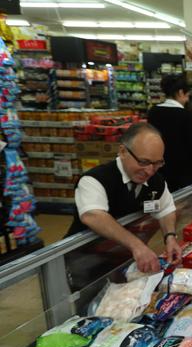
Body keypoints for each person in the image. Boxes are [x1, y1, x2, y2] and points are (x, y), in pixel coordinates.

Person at [66, 123, 182, 287]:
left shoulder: (155, 180)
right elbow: (93, 215)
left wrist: (170, 237)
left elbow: (166, 209)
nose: (149, 171)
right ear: (122, 151)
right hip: (86, 263)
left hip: (124, 262)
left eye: (157, 163)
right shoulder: (94, 180)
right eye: (143, 162)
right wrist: (137, 246)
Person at [147, 73, 192, 192]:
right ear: (180, 92)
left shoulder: (153, 112)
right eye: (187, 95)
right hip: (184, 168)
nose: (187, 99)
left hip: (161, 167)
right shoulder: (184, 114)